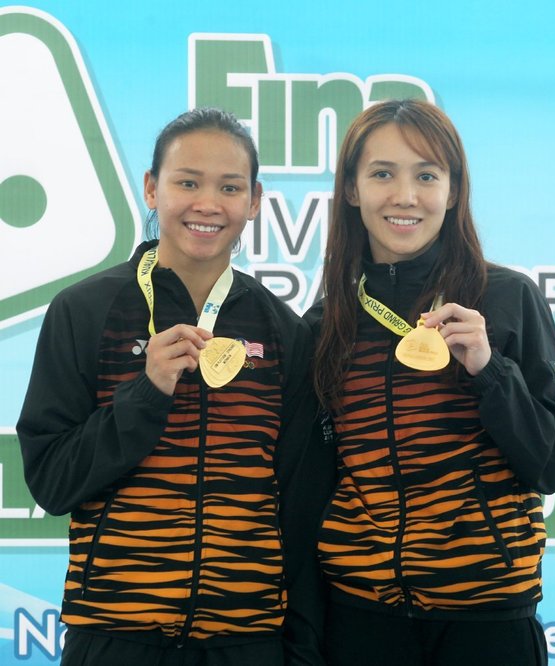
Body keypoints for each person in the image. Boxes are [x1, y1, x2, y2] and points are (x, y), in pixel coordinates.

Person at [17, 107, 326, 665]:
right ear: (152, 189)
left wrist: (299, 649)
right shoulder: (85, 311)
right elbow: (52, 482)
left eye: (229, 187)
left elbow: (300, 507)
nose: (207, 204)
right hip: (115, 635)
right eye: (187, 182)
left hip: (246, 641)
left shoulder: (283, 331)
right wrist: (146, 393)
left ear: (254, 201)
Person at [305, 99, 555, 666]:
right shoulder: (327, 323)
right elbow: (313, 480)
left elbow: (553, 464)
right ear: (352, 190)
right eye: (382, 173)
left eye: (426, 175)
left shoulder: (507, 299)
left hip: (487, 621)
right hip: (361, 619)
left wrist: (489, 369)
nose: (404, 195)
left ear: (453, 191)